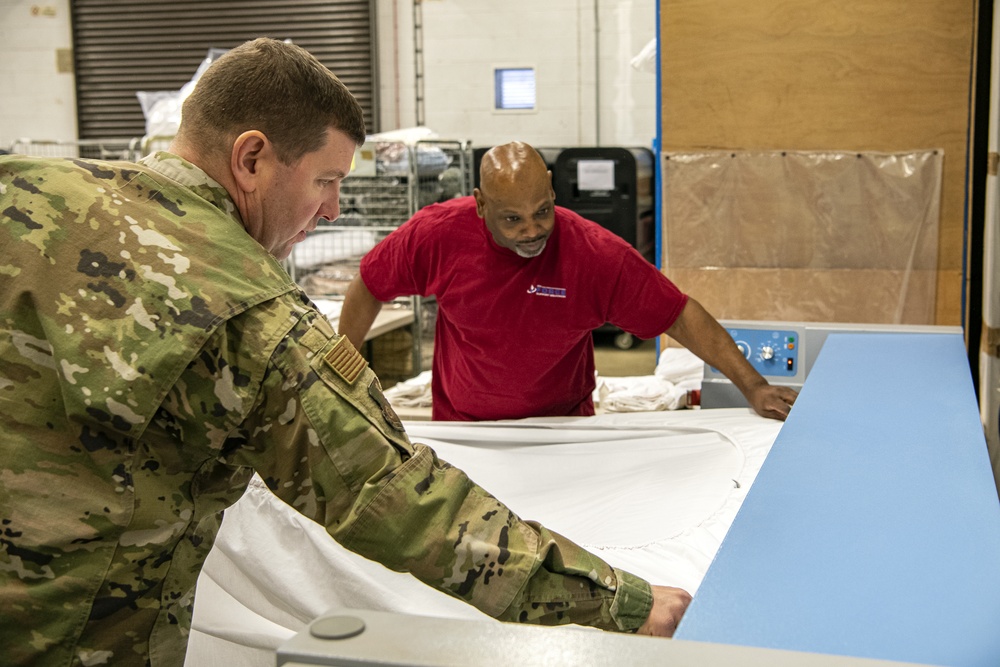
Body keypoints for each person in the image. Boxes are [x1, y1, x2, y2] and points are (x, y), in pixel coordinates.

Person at [0, 38, 690, 666]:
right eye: (326, 181)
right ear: (250, 157)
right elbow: (406, 505)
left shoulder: (24, 190)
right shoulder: (249, 317)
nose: (332, 211)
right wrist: (624, 603)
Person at [339, 141, 799, 422]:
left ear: (553, 190)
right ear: (480, 204)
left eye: (542, 211)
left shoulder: (594, 254)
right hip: (465, 426)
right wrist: (343, 374)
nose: (532, 230)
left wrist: (753, 386)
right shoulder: (437, 233)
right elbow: (370, 284)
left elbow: (679, 314)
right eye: (512, 219)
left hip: (562, 427)